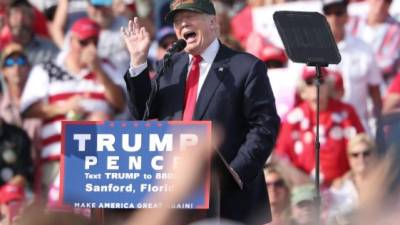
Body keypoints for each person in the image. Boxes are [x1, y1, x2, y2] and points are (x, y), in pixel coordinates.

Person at [121, 0, 280, 223]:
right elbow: (142, 114)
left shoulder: (245, 67)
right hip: (177, 193)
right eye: (177, 21)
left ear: (213, 23)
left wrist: (236, 173)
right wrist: (138, 61)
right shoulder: (169, 66)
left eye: (190, 16)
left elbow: (264, 126)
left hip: (228, 198)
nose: (182, 24)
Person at [20, 17, 126, 198]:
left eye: (95, 42)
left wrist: (98, 70)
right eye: (84, 42)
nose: (89, 48)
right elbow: (28, 109)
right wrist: (62, 108)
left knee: (100, 118)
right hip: (55, 158)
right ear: (71, 41)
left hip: (98, 163)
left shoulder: (107, 67)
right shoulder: (47, 69)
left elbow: (120, 103)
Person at [275, 67, 365, 186]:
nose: (316, 86)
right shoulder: (292, 119)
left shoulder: (346, 113)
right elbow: (280, 159)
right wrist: (302, 182)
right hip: (304, 190)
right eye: (309, 83)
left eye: (320, 81)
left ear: (329, 86)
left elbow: (363, 148)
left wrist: (346, 179)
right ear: (303, 90)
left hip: (344, 185)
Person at [322, 0, 383, 136]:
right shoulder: (312, 52)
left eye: (338, 13)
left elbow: (375, 93)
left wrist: (380, 128)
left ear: (346, 16)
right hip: (325, 132)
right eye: (328, 13)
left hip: (358, 129)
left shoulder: (364, 49)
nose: (333, 18)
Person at [0, 42, 42, 159]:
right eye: (10, 63)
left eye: (20, 62)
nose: (16, 67)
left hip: (39, 167)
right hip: (9, 171)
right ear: (3, 71)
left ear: (28, 68)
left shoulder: (41, 103)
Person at [347, 0, 400, 82]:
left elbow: (388, 64)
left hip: (378, 84)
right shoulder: (353, 20)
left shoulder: (396, 30)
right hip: (348, 79)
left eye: (386, 1)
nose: (381, 4)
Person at [329, 133, 377, 224]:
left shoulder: (387, 185)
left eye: (366, 154)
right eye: (355, 155)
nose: (361, 158)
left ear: (373, 156)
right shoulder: (339, 189)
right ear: (349, 158)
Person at [0, 0, 59, 65]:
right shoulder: (2, 46)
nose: (20, 19)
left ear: (33, 18)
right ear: (7, 20)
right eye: (15, 14)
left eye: (25, 14)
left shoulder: (48, 48)